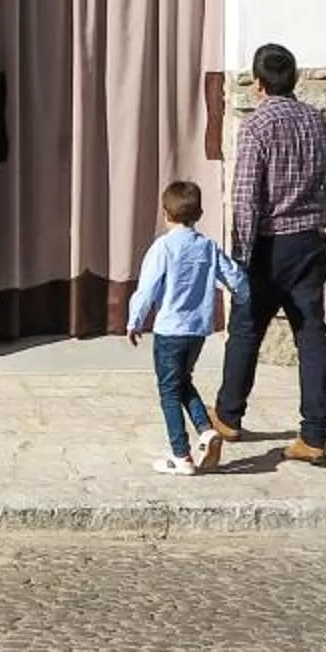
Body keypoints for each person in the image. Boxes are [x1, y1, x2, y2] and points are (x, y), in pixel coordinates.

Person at [214, 41, 326, 464]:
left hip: (269, 246)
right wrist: (317, 219)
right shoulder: (319, 123)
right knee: (311, 335)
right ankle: (314, 434)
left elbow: (246, 198)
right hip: (310, 241)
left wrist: (241, 254)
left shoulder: (257, 127)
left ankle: (228, 416)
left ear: (258, 83)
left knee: (246, 329)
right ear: (294, 79)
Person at [126, 178, 249, 474]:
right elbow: (234, 276)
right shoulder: (207, 247)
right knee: (182, 381)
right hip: (197, 331)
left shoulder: (163, 248)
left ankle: (181, 455)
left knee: (168, 390)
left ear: (165, 213)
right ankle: (206, 431)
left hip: (170, 330)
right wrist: (243, 297)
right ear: (199, 214)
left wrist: (135, 320)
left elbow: (147, 289)